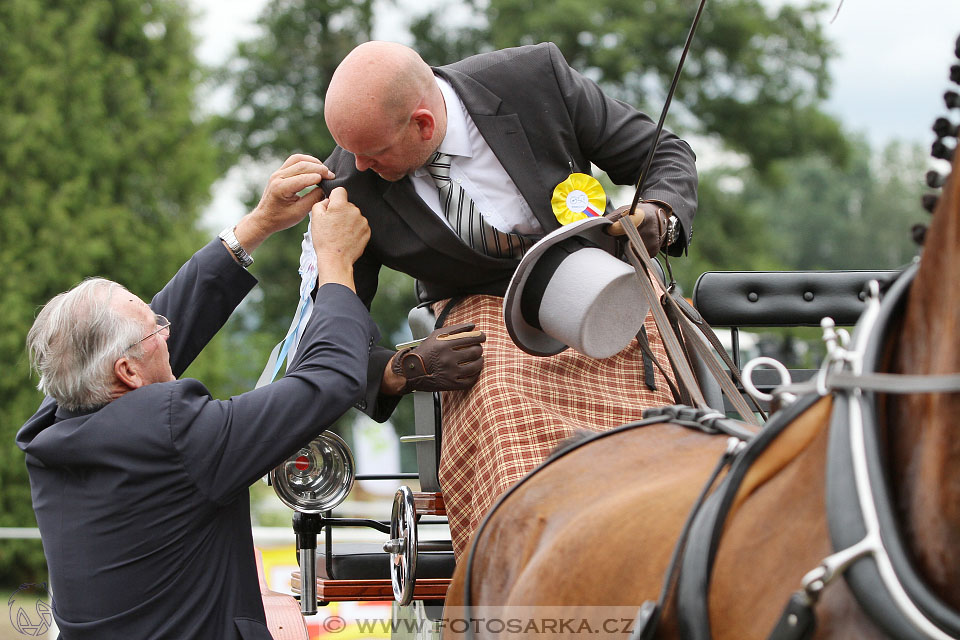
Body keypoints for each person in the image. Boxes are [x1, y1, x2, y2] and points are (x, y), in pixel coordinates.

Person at [295, 41, 699, 557]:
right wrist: (403, 368)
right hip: (481, 323)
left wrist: (660, 216)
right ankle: (529, 566)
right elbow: (325, 337)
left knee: (675, 431)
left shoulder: (535, 77)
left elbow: (664, 153)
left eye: (373, 152)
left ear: (423, 124)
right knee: (501, 397)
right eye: (349, 151)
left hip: (599, 289)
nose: (356, 165)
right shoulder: (349, 186)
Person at [16, 155, 376, 639]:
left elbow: (156, 326)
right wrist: (336, 265)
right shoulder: (173, 434)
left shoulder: (55, 423)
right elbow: (330, 380)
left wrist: (258, 224)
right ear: (126, 371)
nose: (168, 330)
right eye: (155, 329)